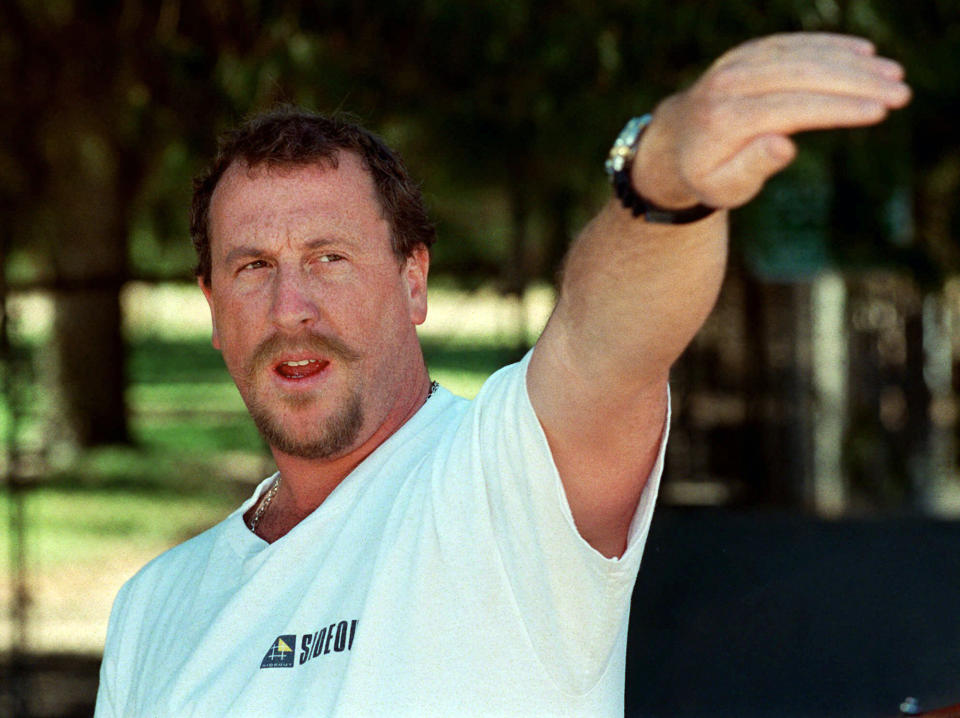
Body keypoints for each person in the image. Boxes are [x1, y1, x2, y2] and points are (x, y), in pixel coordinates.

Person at [95, 33, 910, 716]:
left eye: (328, 259)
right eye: (251, 267)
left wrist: (663, 186)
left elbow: (607, 343)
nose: (290, 308)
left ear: (413, 279)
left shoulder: (499, 480)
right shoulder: (151, 608)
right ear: (210, 304)